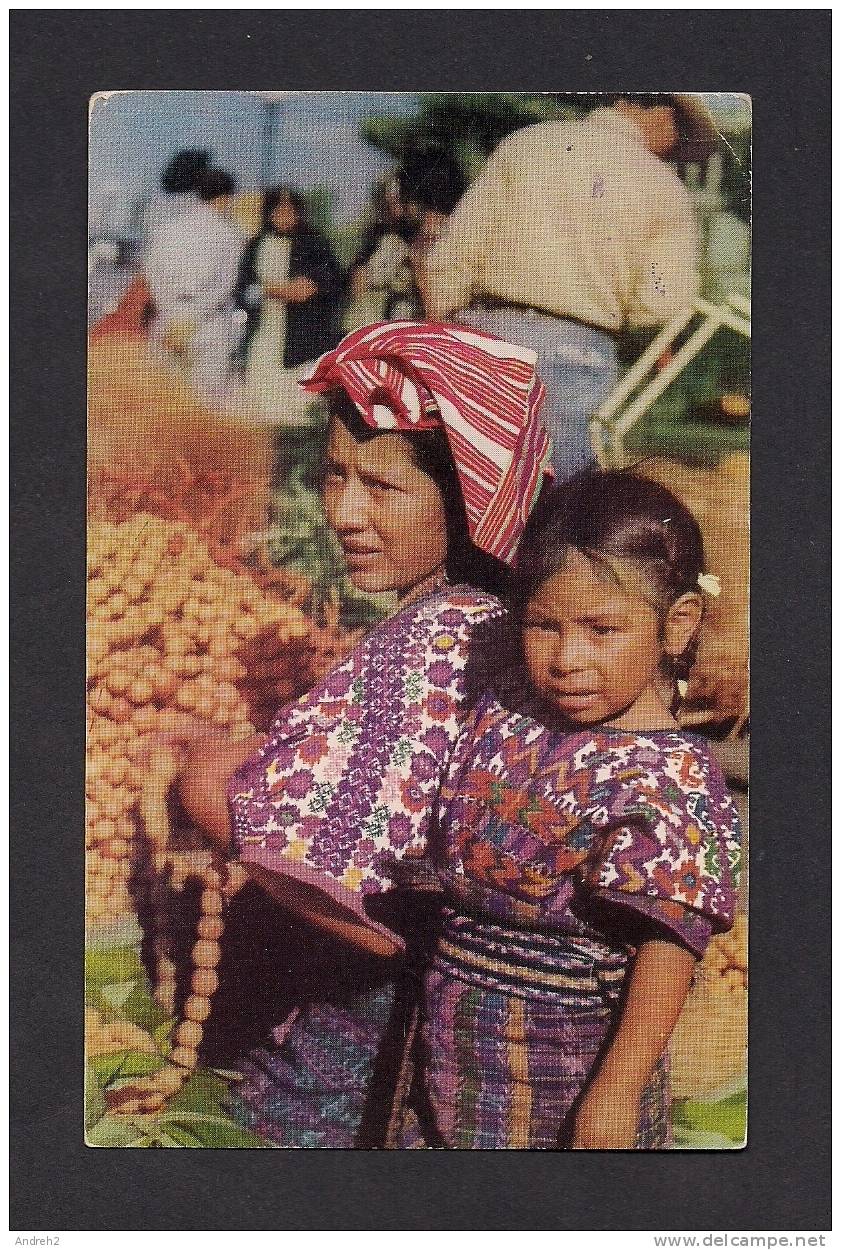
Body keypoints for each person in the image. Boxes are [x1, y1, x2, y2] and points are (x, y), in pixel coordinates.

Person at [167, 321, 553, 1147]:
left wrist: (208, 794)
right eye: (336, 476)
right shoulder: (495, 622)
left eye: (382, 488)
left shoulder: (430, 643)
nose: (342, 511)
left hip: (364, 1044)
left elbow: (364, 912)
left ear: (467, 501)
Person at [393, 470, 741, 1149]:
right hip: (447, 1041)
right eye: (543, 626)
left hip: (564, 1070)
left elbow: (667, 948)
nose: (566, 658)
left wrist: (613, 1095)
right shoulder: (509, 707)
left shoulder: (667, 776)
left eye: (601, 629)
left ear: (676, 624)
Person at [424, 95, 716, 480]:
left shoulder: (529, 144)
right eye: (680, 139)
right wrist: (621, 313)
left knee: (464, 486)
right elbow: (662, 301)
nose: (675, 152)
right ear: (664, 114)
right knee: (556, 506)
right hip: (577, 350)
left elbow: (452, 253)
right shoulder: (664, 188)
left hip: (483, 333)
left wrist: (444, 327)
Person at [235, 187, 345, 423]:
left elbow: (334, 281)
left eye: (290, 209)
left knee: (300, 408)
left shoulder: (314, 244)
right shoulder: (256, 246)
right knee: (263, 406)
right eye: (278, 209)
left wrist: (314, 286)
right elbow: (243, 292)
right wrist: (270, 290)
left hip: (303, 338)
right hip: (264, 335)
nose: (284, 214)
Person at [144, 167, 245, 402]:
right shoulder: (229, 234)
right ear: (225, 197)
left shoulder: (169, 229)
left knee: (165, 398)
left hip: (169, 319)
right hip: (210, 324)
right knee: (207, 403)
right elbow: (226, 285)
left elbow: (154, 275)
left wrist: (172, 314)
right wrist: (192, 320)